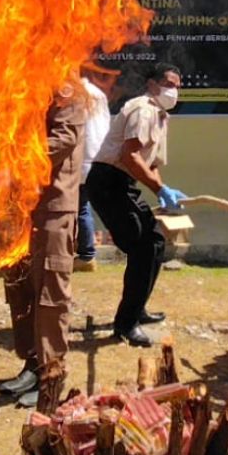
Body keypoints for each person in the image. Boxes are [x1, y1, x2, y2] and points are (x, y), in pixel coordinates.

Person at [86, 63, 186, 347]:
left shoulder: (160, 116)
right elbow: (130, 156)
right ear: (152, 85)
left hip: (122, 183)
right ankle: (126, 324)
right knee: (145, 246)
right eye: (168, 83)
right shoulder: (143, 109)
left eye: (178, 86)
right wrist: (159, 189)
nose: (173, 90)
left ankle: (136, 309)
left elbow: (150, 163)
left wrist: (164, 193)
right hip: (109, 181)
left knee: (153, 243)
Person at [0, 89, 86, 407]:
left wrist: (14, 161)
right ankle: (31, 364)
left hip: (53, 208)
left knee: (50, 293)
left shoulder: (67, 89)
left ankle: (51, 376)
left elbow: (63, 139)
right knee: (20, 288)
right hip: (18, 207)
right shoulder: (24, 82)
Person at [75, 65, 116, 272]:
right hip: (99, 156)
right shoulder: (97, 93)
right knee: (83, 206)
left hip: (81, 158)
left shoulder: (74, 93)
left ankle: (86, 255)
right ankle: (84, 251)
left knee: (80, 208)